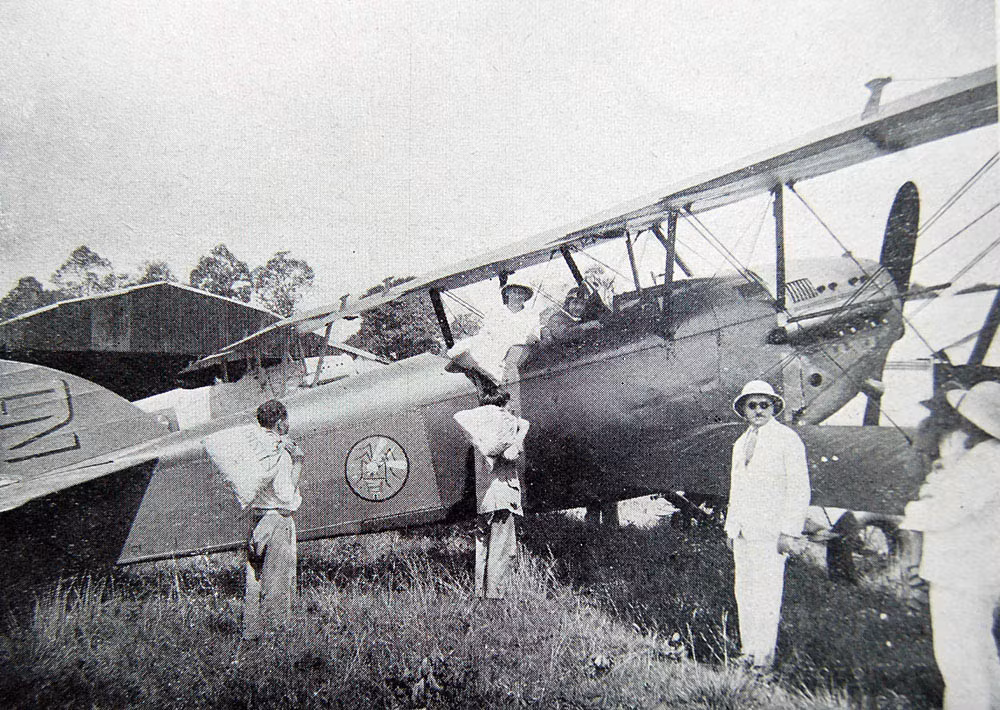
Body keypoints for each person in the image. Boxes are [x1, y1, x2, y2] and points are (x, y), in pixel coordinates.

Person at [900, 380, 1000, 710]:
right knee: (979, 656)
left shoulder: (984, 461)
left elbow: (942, 511)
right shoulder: (978, 457)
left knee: (961, 663)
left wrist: (914, 511)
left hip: (962, 575)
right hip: (971, 572)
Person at [723, 380, 810, 669]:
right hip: (744, 532)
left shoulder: (787, 439)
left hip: (771, 533)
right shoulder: (740, 444)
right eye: (753, 405)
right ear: (743, 410)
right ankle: (748, 652)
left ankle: (764, 659)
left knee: (767, 594)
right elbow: (737, 487)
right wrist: (731, 528)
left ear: (773, 408)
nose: (759, 410)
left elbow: (799, 489)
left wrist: (789, 531)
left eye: (765, 404)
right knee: (744, 591)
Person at [454, 389, 530, 600]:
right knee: (502, 549)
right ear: (502, 405)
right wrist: (521, 430)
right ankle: (495, 598)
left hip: (485, 499)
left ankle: (481, 594)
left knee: (484, 547)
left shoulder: (481, 428)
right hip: (502, 496)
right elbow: (511, 453)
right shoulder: (502, 426)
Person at [243, 399, 304, 640]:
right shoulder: (280, 452)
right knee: (278, 580)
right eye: (286, 419)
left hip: (257, 520)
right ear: (280, 423)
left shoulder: (253, 448)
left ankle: (251, 632)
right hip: (277, 520)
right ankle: (276, 636)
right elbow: (286, 494)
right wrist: (298, 460)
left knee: (255, 580)